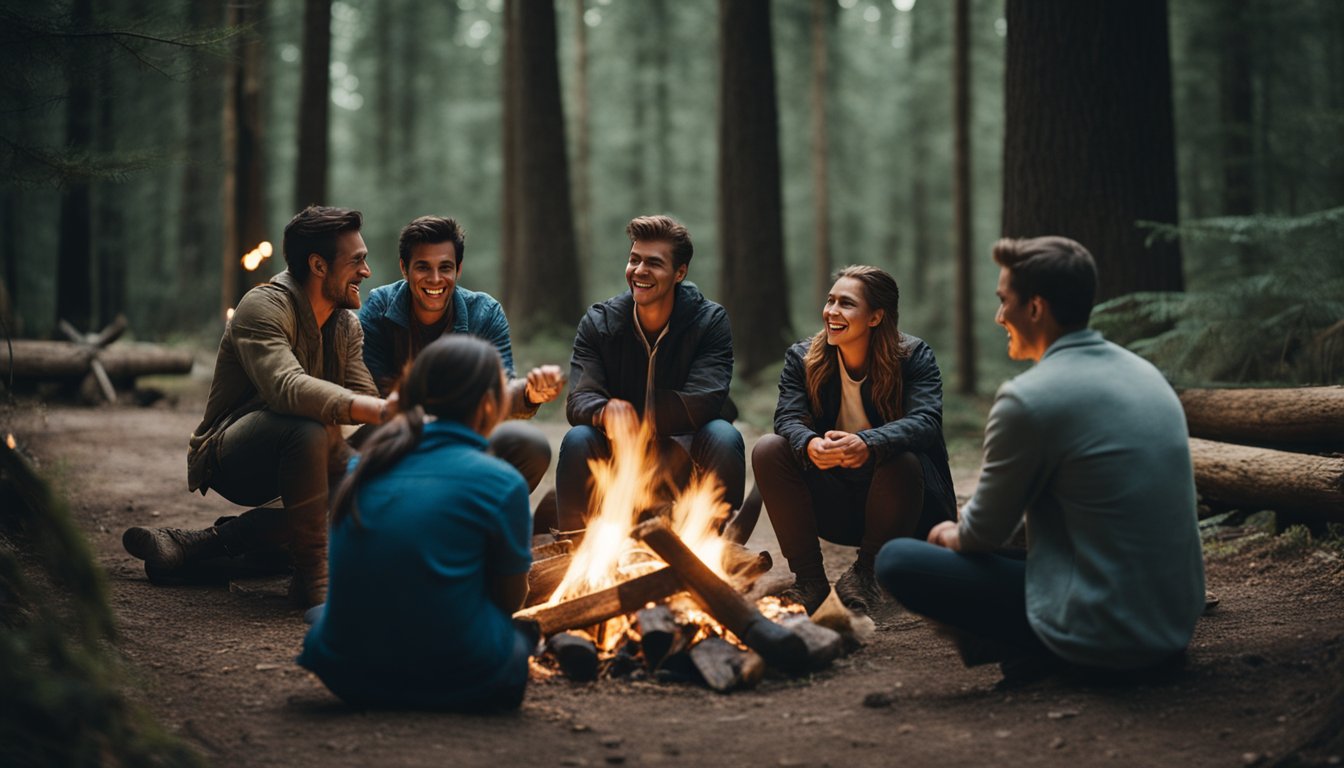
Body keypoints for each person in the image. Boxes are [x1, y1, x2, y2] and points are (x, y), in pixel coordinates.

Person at [875, 236, 1206, 681]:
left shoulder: (1029, 397)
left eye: (1004, 300)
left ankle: (1046, 651)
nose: (999, 316)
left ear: (1035, 309)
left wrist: (948, 533)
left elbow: (982, 534)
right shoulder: (1144, 373)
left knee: (898, 559)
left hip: (1110, 629)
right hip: (1171, 618)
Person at [122, 206, 394, 607]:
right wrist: (373, 411)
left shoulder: (346, 325)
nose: (366, 271)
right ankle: (311, 578)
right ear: (318, 265)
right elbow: (286, 388)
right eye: (357, 261)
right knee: (306, 427)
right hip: (237, 457)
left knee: (387, 443)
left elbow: (366, 407)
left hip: (313, 454)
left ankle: (201, 548)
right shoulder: (262, 307)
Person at [299, 336, 533, 710]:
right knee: (522, 636)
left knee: (323, 616)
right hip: (460, 677)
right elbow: (508, 600)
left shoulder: (365, 464)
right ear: (489, 403)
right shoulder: (502, 482)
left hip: (349, 677)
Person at [753, 266, 956, 616]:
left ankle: (866, 576)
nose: (831, 311)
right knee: (769, 448)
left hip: (902, 509)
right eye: (830, 300)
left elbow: (926, 423)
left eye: (846, 304)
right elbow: (787, 418)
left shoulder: (913, 357)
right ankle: (810, 581)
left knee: (901, 457)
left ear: (876, 317)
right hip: (835, 506)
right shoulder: (802, 358)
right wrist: (810, 444)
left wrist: (867, 443)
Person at [557, 215, 744, 531]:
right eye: (634, 260)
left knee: (724, 436)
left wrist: (628, 412)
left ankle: (704, 541)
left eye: (654, 263)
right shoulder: (599, 323)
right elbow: (578, 401)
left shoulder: (708, 322)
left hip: (683, 466)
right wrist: (604, 411)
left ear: (679, 273)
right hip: (619, 464)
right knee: (579, 438)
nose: (640, 271)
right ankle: (576, 547)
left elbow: (704, 401)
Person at [358, 216, 563, 495]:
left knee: (530, 445)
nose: (435, 279)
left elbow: (500, 392)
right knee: (366, 437)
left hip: (466, 441)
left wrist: (529, 393)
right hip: (401, 439)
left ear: (459, 269)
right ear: (404, 269)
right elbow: (373, 397)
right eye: (423, 267)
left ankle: (472, 523)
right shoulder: (379, 307)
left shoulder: (485, 313)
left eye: (445, 267)